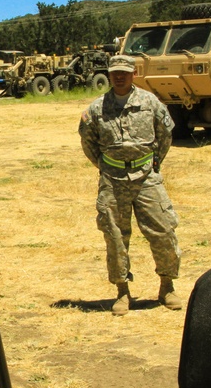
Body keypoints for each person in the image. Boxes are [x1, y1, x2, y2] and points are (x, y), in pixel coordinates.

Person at [78, 54, 182, 315]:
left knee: (163, 230)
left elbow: (165, 133)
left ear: (133, 73)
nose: (119, 76)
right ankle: (122, 292)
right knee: (115, 237)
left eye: (124, 72)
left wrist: (155, 162)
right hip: (112, 180)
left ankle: (167, 287)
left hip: (147, 177)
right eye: (115, 72)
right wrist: (105, 167)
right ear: (110, 74)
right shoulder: (96, 108)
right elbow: (88, 142)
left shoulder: (150, 102)